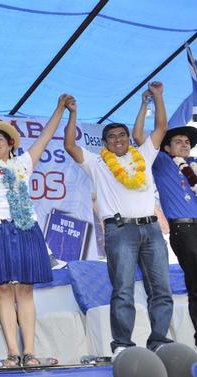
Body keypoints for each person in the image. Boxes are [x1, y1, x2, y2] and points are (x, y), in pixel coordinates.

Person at [64, 82, 173, 360]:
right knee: (122, 290)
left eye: (122, 135)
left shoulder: (143, 156)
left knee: (161, 289)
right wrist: (72, 114)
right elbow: (69, 145)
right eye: (111, 137)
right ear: (105, 143)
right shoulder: (97, 163)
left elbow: (160, 127)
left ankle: (159, 340)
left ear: (128, 138)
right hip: (119, 231)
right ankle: (122, 345)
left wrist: (158, 97)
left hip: (151, 228)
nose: (118, 140)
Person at [0, 81, 66, 367]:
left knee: (25, 290)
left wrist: (59, 109)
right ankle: (12, 353)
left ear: (11, 145)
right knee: (3, 290)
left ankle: (29, 352)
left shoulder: (23, 164)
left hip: (24, 228)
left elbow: (45, 136)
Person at [132, 92, 197, 347]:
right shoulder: (161, 162)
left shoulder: (193, 167)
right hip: (184, 230)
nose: (183, 144)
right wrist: (156, 99)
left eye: (187, 142)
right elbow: (140, 136)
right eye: (178, 141)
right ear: (167, 147)